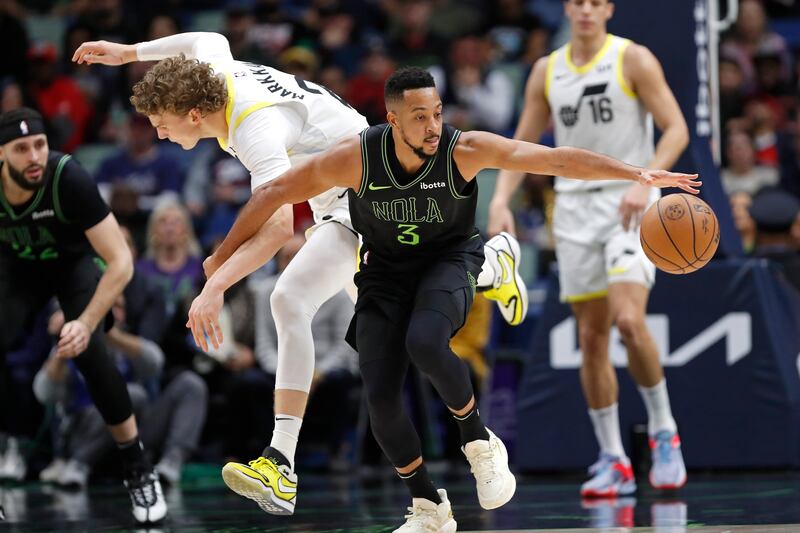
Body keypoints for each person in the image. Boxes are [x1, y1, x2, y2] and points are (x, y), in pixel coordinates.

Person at [196, 67, 700, 530]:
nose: (433, 126)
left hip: (449, 260)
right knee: (381, 400)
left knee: (427, 342)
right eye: (419, 117)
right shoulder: (356, 158)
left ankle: (480, 442)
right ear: (392, 120)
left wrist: (636, 173)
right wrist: (221, 258)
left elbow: (552, 159)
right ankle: (428, 507)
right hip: (384, 272)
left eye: (436, 113)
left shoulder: (463, 150)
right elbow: (274, 192)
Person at [72, 31, 530, 516]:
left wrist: (215, 285)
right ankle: (284, 465)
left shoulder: (255, 129)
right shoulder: (213, 73)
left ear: (191, 114)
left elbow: (275, 229)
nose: (160, 134)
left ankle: (490, 269)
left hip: (372, 196)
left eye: (161, 125)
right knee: (301, 307)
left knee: (363, 320)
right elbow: (208, 37)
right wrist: (128, 54)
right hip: (341, 199)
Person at [488, 0, 690, 497]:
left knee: (628, 320)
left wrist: (646, 178)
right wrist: (499, 200)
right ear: (567, 9)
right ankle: (614, 459)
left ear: (608, 9)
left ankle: (665, 431)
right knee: (592, 337)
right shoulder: (546, 70)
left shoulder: (633, 58)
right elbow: (522, 145)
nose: (585, 10)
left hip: (631, 204)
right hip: (574, 209)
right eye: (578, 2)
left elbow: (677, 128)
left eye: (595, 3)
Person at [0, 107, 166, 523]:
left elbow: (121, 260)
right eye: (21, 149)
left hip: (71, 267)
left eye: (39, 144)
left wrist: (86, 321)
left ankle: (137, 467)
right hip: (15, 270)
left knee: (91, 353)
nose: (35, 156)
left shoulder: (67, 177)